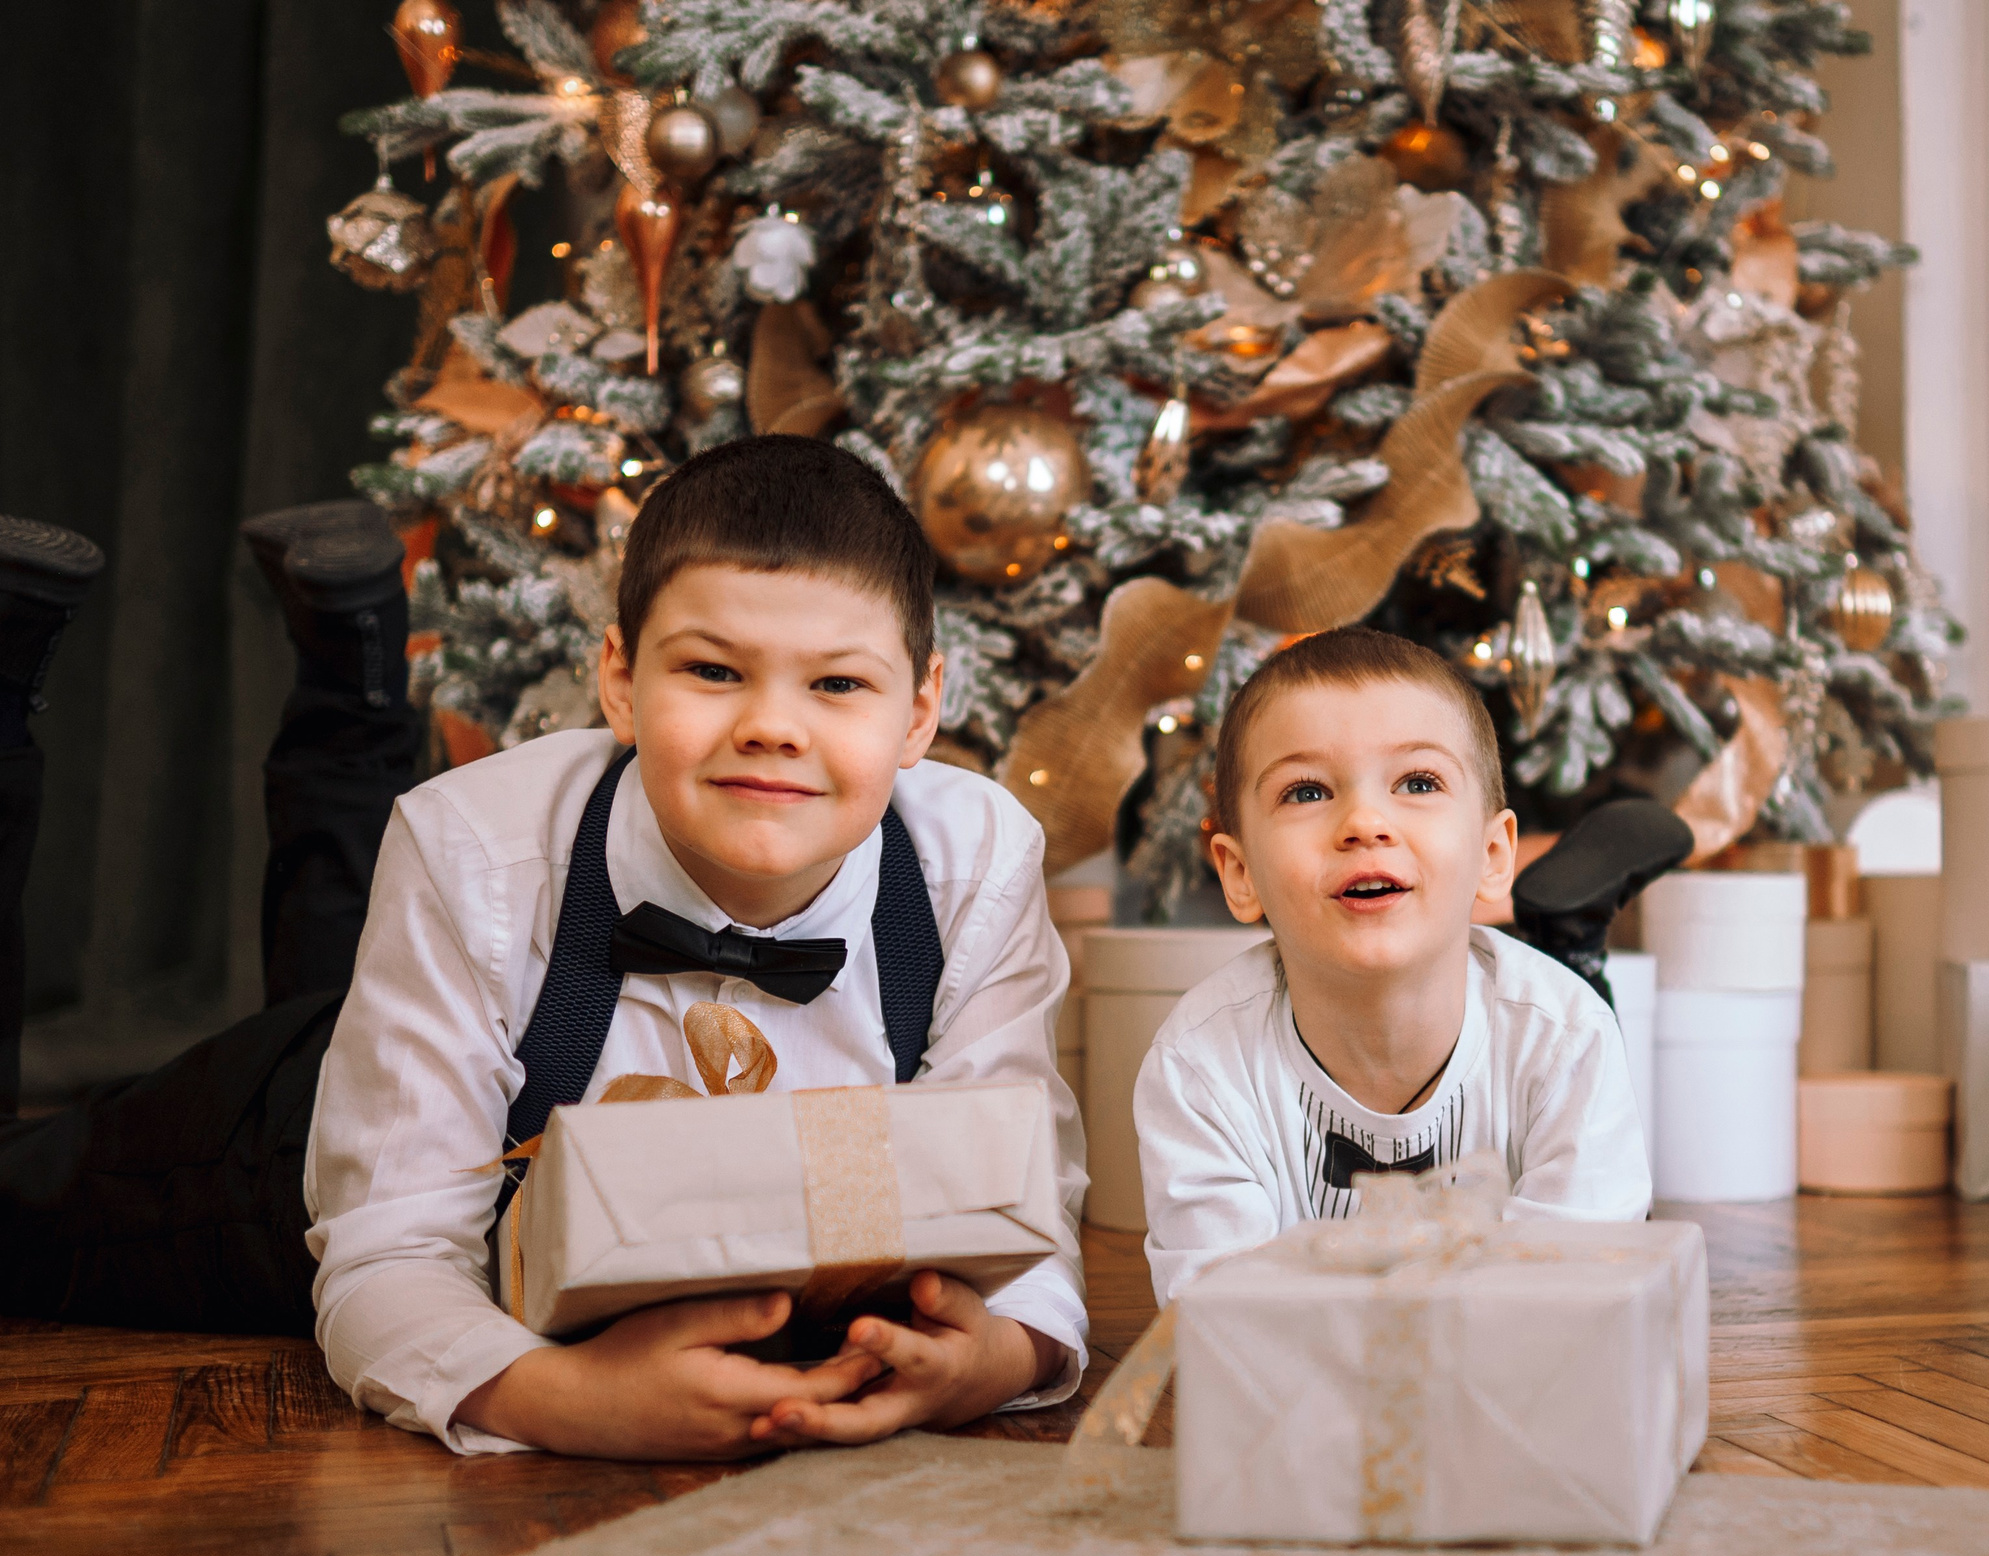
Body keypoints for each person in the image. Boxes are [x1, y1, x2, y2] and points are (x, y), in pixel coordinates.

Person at [0, 436, 1088, 1460]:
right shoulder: (475, 849)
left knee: (343, 945)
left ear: (919, 711)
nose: (774, 726)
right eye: (712, 672)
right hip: (297, 1148)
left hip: (477, 1035)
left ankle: (357, 664)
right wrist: (568, 1398)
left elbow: (1023, 1203)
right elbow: (387, 1245)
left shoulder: (973, 868)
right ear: (619, 680)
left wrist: (998, 1355)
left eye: (838, 684)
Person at [1133, 628, 1653, 1305]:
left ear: (1494, 855)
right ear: (1240, 873)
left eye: (1418, 781)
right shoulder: (1201, 1064)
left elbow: (1578, 1301)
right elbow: (1224, 1328)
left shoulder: (1567, 1038)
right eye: (1307, 792)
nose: (1365, 821)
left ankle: (1573, 936)